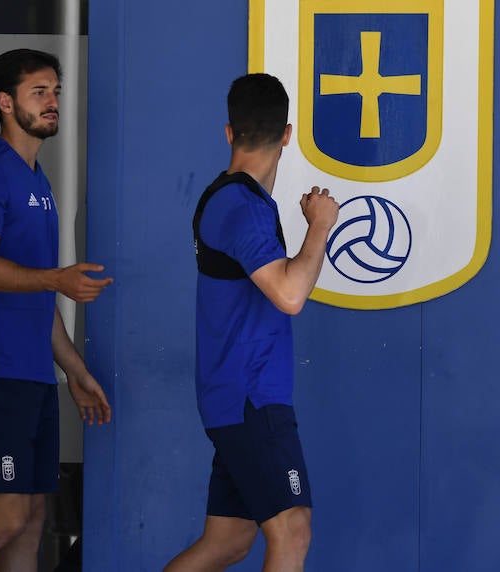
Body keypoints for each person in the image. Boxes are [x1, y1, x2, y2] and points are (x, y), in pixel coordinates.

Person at [0, 48, 113, 571]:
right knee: (7, 518)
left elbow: (39, 297)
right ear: (5, 102)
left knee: (33, 518)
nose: (52, 102)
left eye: (56, 91)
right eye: (39, 92)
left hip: (32, 375)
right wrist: (57, 279)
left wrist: (76, 372)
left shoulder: (38, 181)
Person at [164, 73, 338, 572]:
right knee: (293, 530)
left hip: (240, 397)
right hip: (249, 398)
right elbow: (288, 294)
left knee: (228, 542)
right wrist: (321, 227)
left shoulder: (242, 202)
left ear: (229, 132)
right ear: (287, 134)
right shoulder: (239, 205)